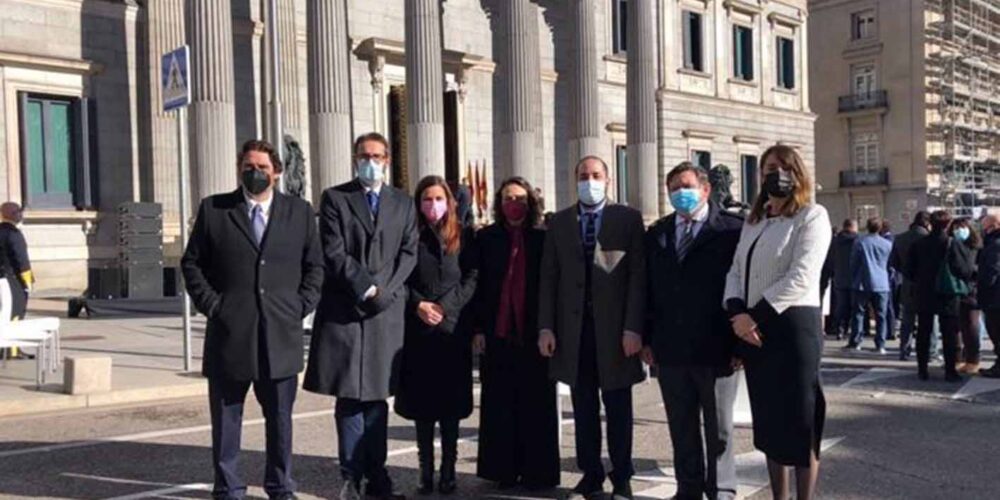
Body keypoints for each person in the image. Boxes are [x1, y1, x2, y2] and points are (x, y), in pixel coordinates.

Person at [181, 139, 324, 500]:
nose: (255, 173)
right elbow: (191, 263)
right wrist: (214, 306)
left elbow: (315, 267)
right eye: (248, 166)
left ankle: (280, 485)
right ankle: (228, 487)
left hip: (280, 335)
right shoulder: (214, 209)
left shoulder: (300, 212)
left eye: (262, 167)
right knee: (227, 421)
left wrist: (300, 306)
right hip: (230, 335)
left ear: (277, 172)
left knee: (280, 421)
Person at [303, 132, 418, 500]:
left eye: (378, 155)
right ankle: (351, 476)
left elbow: (409, 252)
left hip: (386, 312)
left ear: (387, 159)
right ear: (356, 158)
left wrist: (384, 291)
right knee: (350, 398)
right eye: (364, 155)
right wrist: (367, 289)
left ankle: (377, 477)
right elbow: (334, 252)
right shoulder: (336, 198)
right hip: (347, 312)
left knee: (377, 399)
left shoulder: (403, 202)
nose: (371, 161)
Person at [723, 145, 830, 500]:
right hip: (754, 329)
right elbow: (737, 270)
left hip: (793, 326)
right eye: (769, 166)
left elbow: (802, 276)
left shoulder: (812, 216)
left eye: (784, 166)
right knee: (768, 421)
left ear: (797, 173)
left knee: (800, 421)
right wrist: (737, 312)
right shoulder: (755, 221)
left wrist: (753, 316)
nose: (776, 173)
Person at [538, 156, 646, 500]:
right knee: (583, 407)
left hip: (615, 333)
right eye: (583, 176)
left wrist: (633, 328)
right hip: (575, 331)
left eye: (596, 175)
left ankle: (623, 475)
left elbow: (638, 279)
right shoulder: (560, 222)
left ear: (608, 180)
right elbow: (549, 278)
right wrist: (546, 327)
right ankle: (591, 473)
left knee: (618, 407)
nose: (590, 181)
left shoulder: (627, 219)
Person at [643, 162, 743, 500]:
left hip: (717, 348)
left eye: (686, 186)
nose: (679, 193)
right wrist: (646, 338)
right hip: (670, 348)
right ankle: (688, 488)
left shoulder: (731, 231)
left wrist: (739, 344)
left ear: (705, 189)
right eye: (673, 188)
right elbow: (647, 290)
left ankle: (721, 489)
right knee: (681, 425)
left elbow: (742, 288)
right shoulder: (658, 233)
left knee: (719, 429)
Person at [473, 177, 560, 490]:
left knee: (536, 405)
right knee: (500, 405)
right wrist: (478, 329)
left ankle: (538, 472)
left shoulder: (543, 238)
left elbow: (553, 286)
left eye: (521, 198)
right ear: (499, 202)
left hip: (535, 334)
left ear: (531, 203)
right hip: (498, 334)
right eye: (509, 198)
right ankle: (503, 471)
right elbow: (478, 288)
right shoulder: (486, 238)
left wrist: (550, 327)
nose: (515, 204)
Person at [394, 176, 478, 495]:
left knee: (451, 408)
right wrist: (418, 305)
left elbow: (472, 277)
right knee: (422, 407)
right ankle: (425, 470)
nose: (433, 205)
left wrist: (445, 306)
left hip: (452, 330)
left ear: (450, 201)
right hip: (418, 332)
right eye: (427, 199)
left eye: (439, 198)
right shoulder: (410, 235)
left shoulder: (465, 235)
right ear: (418, 203)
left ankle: (449, 470)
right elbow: (399, 279)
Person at [905, 210, 975, 382]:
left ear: (931, 224)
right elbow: (965, 269)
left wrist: (921, 279)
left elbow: (908, 270)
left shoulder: (919, 244)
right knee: (949, 332)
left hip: (924, 292)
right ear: (948, 225)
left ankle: (922, 369)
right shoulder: (953, 243)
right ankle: (950, 370)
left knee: (923, 331)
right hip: (947, 293)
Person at [846, 217, 893, 354]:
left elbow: (853, 262)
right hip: (881, 282)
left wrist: (853, 277)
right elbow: (891, 264)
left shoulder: (860, 242)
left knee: (859, 313)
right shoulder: (887, 244)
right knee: (881, 315)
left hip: (862, 282)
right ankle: (880, 344)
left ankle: (856, 341)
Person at [891, 211, 932, 360]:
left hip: (907, 283)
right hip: (926, 284)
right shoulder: (928, 239)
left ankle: (904, 349)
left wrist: (905, 272)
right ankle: (927, 352)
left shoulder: (900, 238)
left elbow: (893, 263)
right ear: (927, 223)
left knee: (907, 320)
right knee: (926, 320)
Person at [0, 202, 34, 360]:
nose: (20, 214)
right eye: (17, 212)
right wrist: (28, 282)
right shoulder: (13, 234)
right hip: (12, 280)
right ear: (10, 214)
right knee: (15, 313)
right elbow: (22, 261)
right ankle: (11, 350)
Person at [950, 217, 982, 374]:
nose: (958, 231)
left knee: (971, 325)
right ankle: (957, 358)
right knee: (956, 326)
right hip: (954, 290)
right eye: (955, 228)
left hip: (971, 291)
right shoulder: (951, 245)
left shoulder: (977, 247)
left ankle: (972, 360)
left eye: (961, 227)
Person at [977, 214, 1000, 378]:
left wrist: (981, 282)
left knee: (996, 331)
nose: (983, 231)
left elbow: (992, 271)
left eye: (985, 228)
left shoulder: (995, 245)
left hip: (994, 297)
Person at [829, 219, 858, 340]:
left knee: (840, 306)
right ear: (854, 227)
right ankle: (853, 332)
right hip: (855, 278)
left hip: (839, 277)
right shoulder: (858, 241)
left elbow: (830, 259)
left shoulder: (834, 241)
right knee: (855, 307)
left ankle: (839, 329)